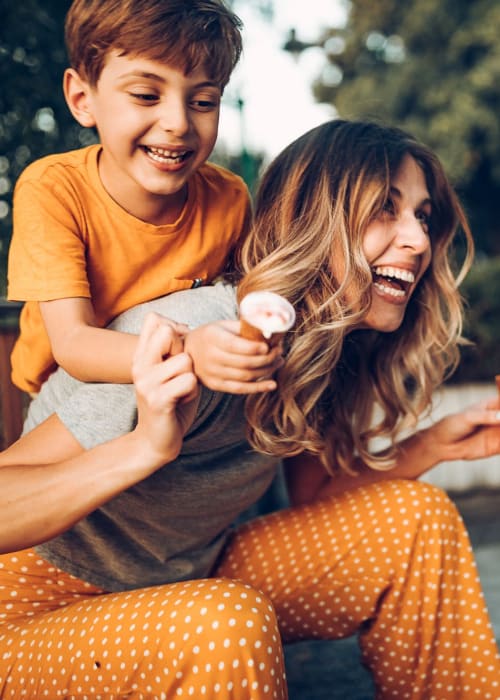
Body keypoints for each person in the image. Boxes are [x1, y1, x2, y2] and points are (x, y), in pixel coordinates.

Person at [1, 119, 500, 699]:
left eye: (423, 215)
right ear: (313, 221)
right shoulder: (193, 333)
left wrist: (436, 444)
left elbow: (311, 497)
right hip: (30, 612)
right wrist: (143, 448)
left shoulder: (323, 352)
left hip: (179, 581)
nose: (416, 239)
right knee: (225, 624)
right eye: (384, 210)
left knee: (416, 519)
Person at [6, 0, 279, 398]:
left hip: (166, 385)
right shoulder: (52, 188)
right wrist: (190, 351)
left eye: (203, 102)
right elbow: (73, 344)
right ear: (83, 99)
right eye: (146, 95)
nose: (179, 123)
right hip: (64, 393)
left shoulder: (230, 198)